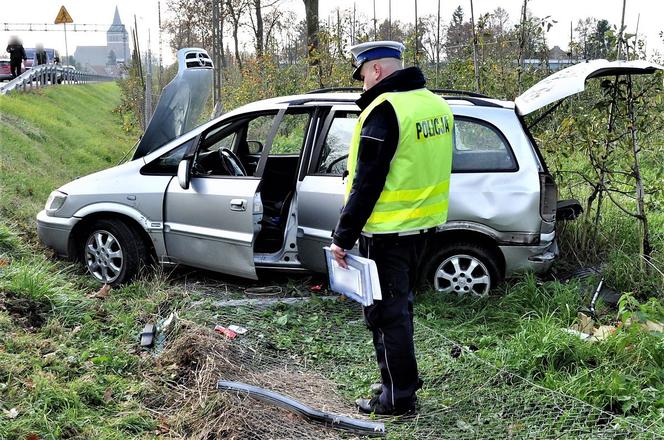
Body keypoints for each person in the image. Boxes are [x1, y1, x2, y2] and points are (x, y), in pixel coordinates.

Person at [330, 41, 454, 416]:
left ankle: (396, 399)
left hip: (387, 233)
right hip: (425, 228)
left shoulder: (385, 111)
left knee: (385, 315)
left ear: (378, 71)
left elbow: (367, 182)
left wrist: (342, 237)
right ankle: (400, 381)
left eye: (364, 74)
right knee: (400, 311)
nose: (362, 84)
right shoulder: (435, 104)